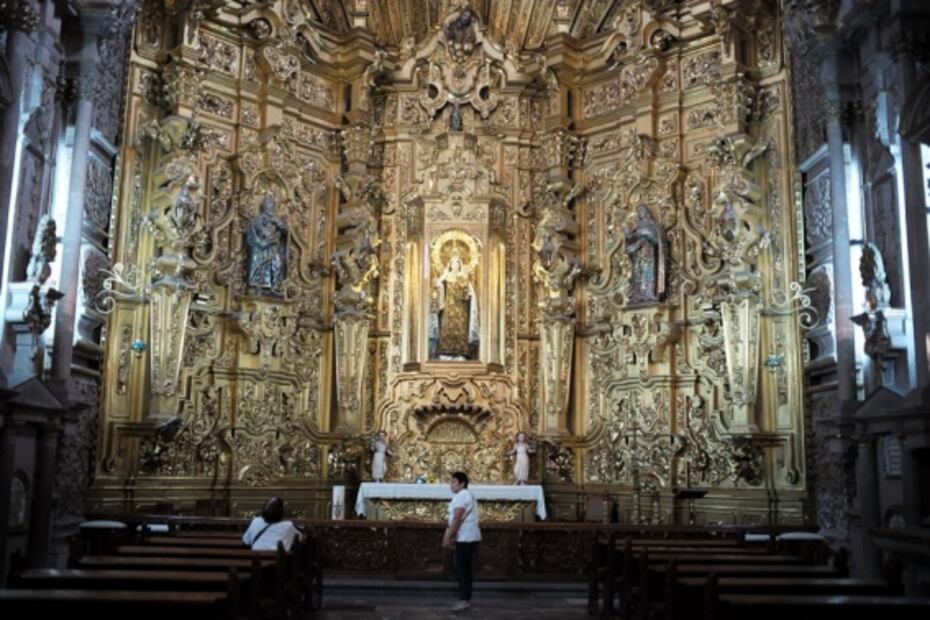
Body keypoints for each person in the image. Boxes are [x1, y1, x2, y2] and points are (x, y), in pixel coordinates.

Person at [443, 471, 481, 612]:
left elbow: (457, 518)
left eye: (454, 482)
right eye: (451, 481)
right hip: (466, 536)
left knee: (462, 569)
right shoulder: (465, 495)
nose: (451, 484)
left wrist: (447, 536)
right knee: (463, 568)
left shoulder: (462, 495)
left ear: (462, 483)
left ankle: (464, 600)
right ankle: (465, 598)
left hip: (465, 537)